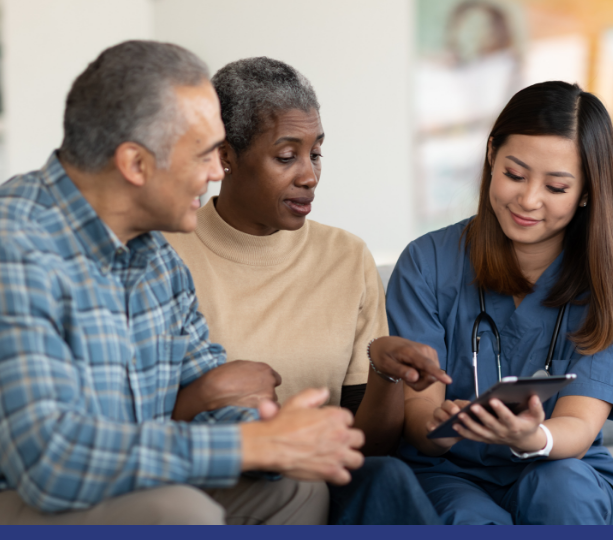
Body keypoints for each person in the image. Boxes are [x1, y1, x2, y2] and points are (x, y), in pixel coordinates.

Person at [0, 41, 367, 525]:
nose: (219, 171)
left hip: (121, 486)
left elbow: (207, 395)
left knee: (297, 486)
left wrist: (280, 437)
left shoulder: (157, 259)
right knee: (176, 510)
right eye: (203, 154)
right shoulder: (0, 247)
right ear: (135, 164)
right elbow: (52, 462)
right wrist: (248, 445)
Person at [164, 57, 447, 525]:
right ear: (225, 156)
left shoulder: (347, 257)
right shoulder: (166, 255)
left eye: (315, 153)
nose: (309, 175)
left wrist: (385, 372)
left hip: (323, 481)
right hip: (217, 486)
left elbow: (367, 449)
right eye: (285, 155)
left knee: (388, 477)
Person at [387, 81, 613, 525]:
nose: (528, 200)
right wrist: (439, 426)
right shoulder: (426, 264)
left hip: (556, 462)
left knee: (565, 496)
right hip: (448, 471)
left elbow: (579, 427)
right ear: (491, 155)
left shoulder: (611, 289)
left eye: (557, 187)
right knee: (466, 518)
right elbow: (419, 419)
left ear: (586, 192)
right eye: (514, 174)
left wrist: (534, 436)